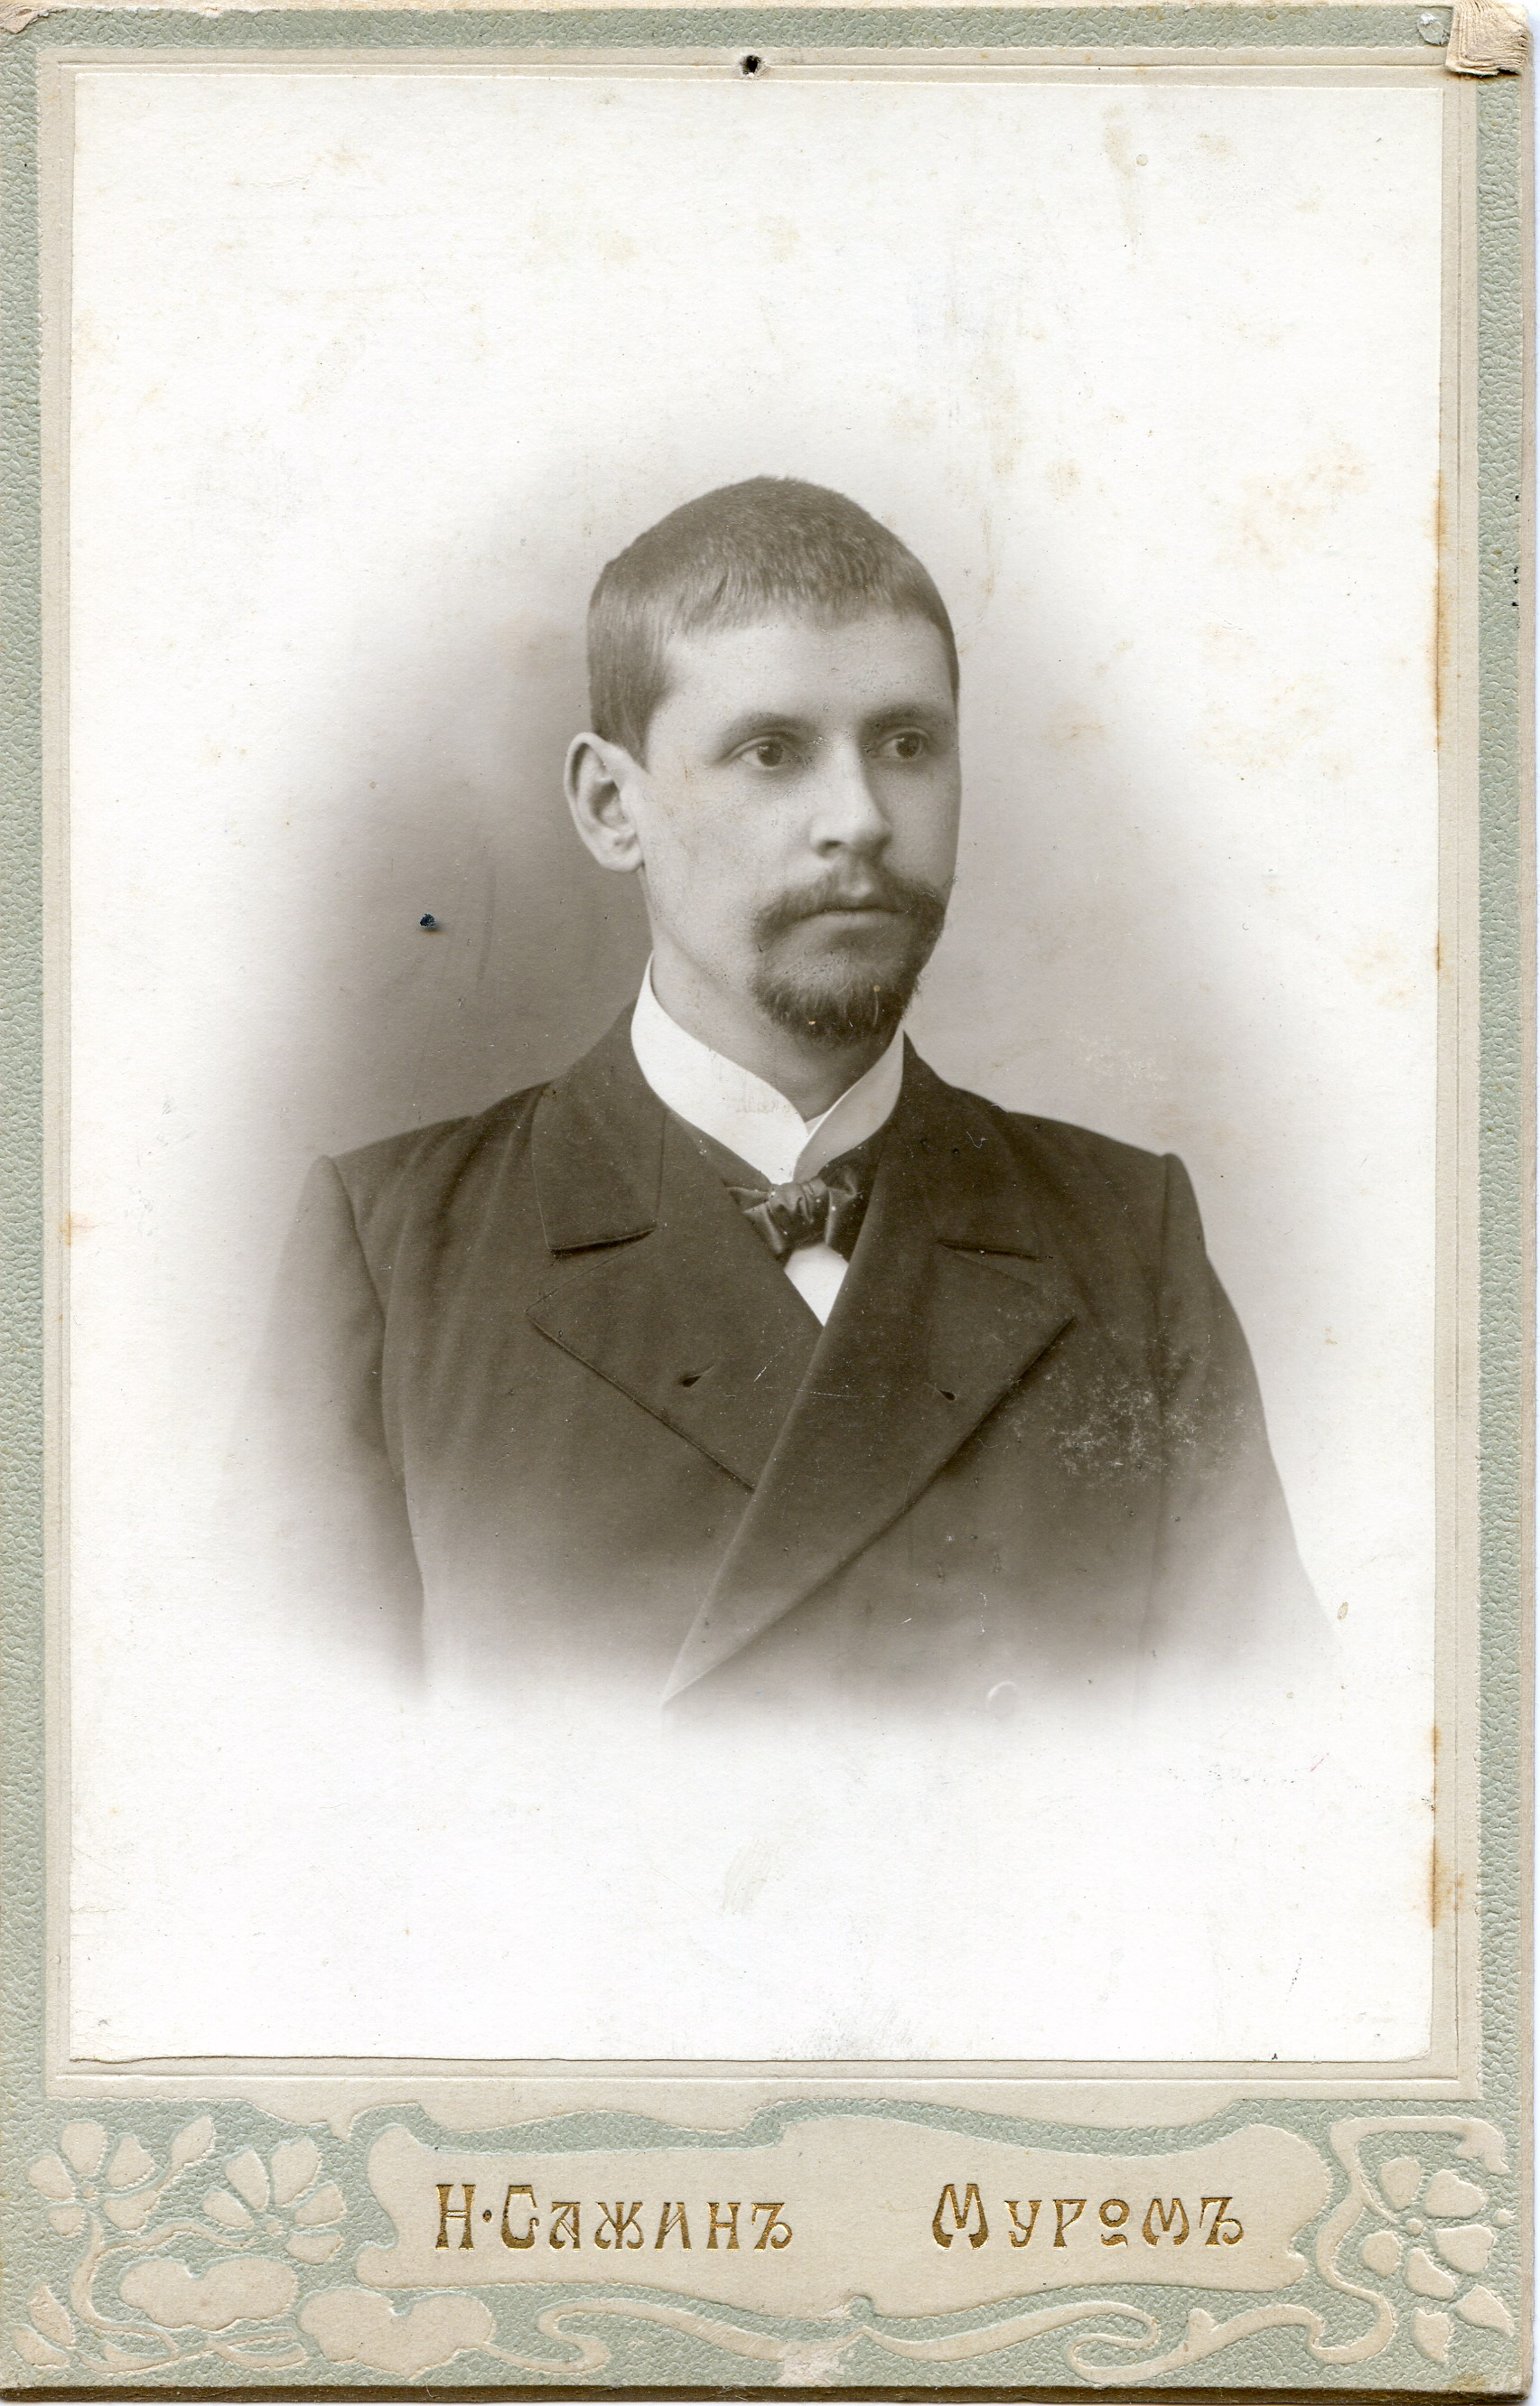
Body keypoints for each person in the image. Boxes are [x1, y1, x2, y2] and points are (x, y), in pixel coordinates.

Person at [253, 477, 1323, 1721]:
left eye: (907, 745)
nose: (860, 820)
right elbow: (295, 1783)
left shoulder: (1126, 1239)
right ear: (611, 806)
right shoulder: (396, 1253)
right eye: (771, 752)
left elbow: (1263, 1771)